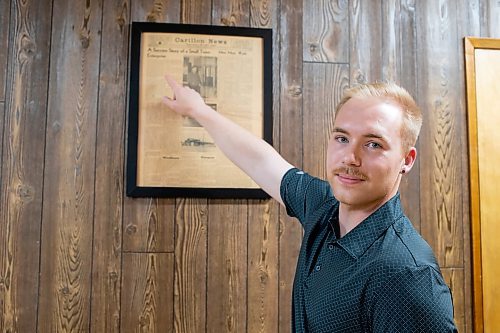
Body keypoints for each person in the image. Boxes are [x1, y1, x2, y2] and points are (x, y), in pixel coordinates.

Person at [162, 75, 458, 332]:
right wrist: (198, 110)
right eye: (342, 138)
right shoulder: (325, 206)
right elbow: (262, 161)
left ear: (406, 160)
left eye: (373, 145)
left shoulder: (407, 275)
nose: (349, 158)